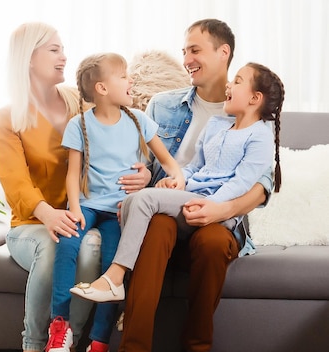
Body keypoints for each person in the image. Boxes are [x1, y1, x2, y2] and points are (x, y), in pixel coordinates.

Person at [102, 19, 276, 352]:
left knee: (215, 242)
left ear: (223, 52)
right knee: (159, 228)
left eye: (195, 50)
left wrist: (222, 209)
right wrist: (145, 173)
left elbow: (262, 185)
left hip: (217, 213)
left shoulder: (250, 114)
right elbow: (149, 162)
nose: (187, 60)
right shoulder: (163, 105)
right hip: (168, 208)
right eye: (184, 52)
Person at [0, 22, 152, 352]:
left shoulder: (78, 104)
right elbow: (14, 181)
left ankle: (71, 345)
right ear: (28, 58)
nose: (63, 56)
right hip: (30, 224)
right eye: (53, 49)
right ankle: (32, 346)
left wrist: (144, 174)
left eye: (62, 48)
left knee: (91, 248)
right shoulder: (9, 116)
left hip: (84, 216)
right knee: (51, 247)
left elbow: (121, 141)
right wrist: (49, 214)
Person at [72, 61, 284, 304]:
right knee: (133, 200)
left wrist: (212, 205)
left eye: (237, 81)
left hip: (212, 205)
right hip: (193, 196)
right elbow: (196, 166)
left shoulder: (260, 136)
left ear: (255, 98)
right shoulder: (216, 124)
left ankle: (116, 277)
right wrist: (178, 182)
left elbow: (241, 182)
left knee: (143, 199)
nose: (229, 84)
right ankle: (121, 286)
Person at [47, 52, 183, 352]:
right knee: (67, 245)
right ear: (103, 87)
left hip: (121, 210)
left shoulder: (139, 120)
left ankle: (98, 347)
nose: (130, 81)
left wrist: (176, 177)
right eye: (124, 77)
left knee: (113, 273)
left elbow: (168, 161)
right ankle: (59, 327)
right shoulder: (79, 125)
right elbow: (73, 173)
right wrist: (74, 208)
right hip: (90, 204)